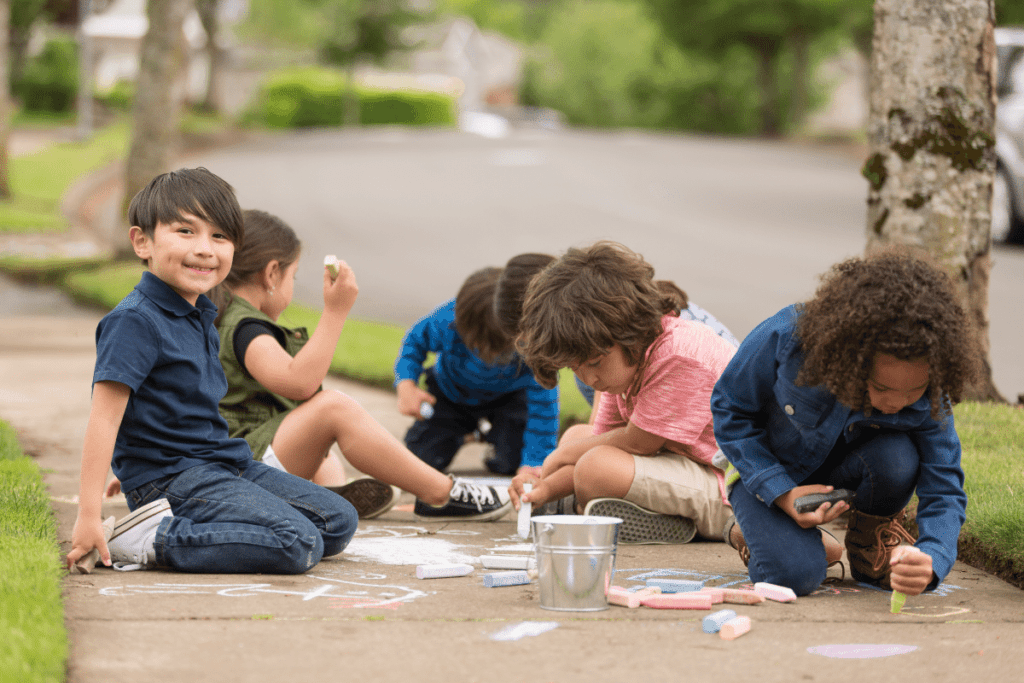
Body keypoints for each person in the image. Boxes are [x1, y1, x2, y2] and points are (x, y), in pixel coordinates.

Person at [64, 168, 357, 574]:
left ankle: (180, 522)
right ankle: (149, 539)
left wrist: (130, 464)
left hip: (222, 464)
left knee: (338, 521)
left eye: (219, 236)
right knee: (296, 542)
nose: (205, 249)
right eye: (186, 231)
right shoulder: (135, 321)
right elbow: (104, 418)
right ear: (142, 241)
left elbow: (174, 407)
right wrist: (91, 513)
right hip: (173, 479)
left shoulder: (199, 312)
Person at [711, 248, 981, 596]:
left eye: (913, 392)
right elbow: (730, 410)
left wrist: (932, 558)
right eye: (881, 388)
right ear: (851, 360)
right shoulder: (789, 339)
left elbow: (944, 485)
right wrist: (782, 493)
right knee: (794, 576)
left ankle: (870, 544)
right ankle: (746, 529)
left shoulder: (933, 391)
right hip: (765, 474)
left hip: (843, 472)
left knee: (898, 459)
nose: (894, 403)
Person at [211, 209, 511, 522]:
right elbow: (300, 383)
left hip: (243, 458)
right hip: (244, 467)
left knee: (326, 453)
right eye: (293, 276)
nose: (293, 285)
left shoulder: (224, 315)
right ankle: (442, 493)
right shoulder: (246, 327)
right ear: (272, 273)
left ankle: (330, 498)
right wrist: (335, 311)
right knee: (333, 409)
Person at [510, 241, 737, 544]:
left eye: (594, 362)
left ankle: (634, 515)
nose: (589, 378)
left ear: (628, 329)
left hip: (731, 488)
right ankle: (597, 507)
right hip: (689, 465)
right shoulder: (627, 361)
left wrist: (557, 459)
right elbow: (598, 441)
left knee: (592, 465)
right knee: (578, 437)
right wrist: (545, 487)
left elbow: (637, 443)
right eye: (575, 368)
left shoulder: (679, 355)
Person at [494, 251, 741, 425]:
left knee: (597, 464)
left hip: (724, 445)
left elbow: (612, 439)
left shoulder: (606, 342)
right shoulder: (620, 304)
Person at [395, 267, 560, 478]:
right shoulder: (447, 319)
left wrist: (535, 463)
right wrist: (406, 384)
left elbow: (544, 408)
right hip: (451, 393)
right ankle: (469, 434)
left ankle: (494, 437)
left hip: (508, 399)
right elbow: (414, 343)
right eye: (478, 348)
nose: (489, 359)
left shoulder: (530, 342)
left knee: (509, 465)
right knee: (421, 460)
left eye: (501, 354)